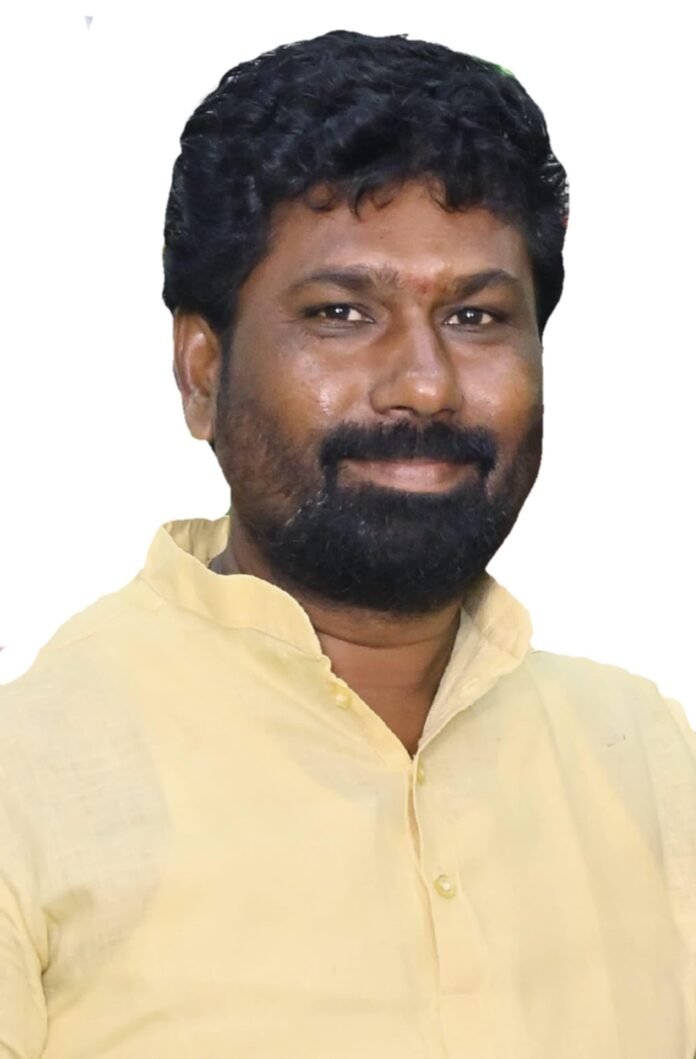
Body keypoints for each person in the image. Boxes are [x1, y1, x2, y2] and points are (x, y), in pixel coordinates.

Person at [0, 28, 694, 1059]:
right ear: (201, 372)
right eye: (341, 312)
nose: (425, 384)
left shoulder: (646, 759)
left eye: (475, 316)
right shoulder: (30, 785)